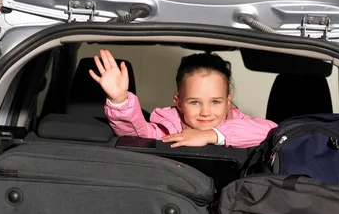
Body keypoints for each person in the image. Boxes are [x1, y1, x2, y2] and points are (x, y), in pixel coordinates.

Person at [89, 49, 277, 148]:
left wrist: (210, 135)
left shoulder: (243, 126)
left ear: (228, 102)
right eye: (194, 102)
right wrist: (120, 99)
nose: (205, 111)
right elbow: (135, 136)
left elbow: (271, 132)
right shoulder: (168, 130)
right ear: (178, 103)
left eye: (215, 102)